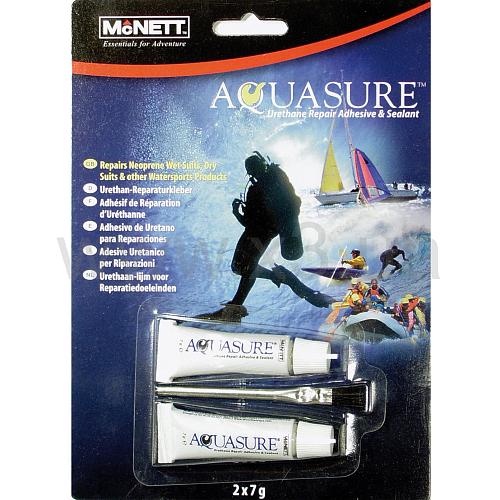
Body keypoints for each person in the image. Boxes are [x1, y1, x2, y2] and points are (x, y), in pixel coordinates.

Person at [199, 153, 302, 322]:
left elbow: (248, 221)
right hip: (265, 233)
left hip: (257, 233)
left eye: (251, 170)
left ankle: (235, 308)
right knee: (242, 267)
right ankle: (240, 303)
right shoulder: (278, 176)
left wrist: (236, 212)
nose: (253, 174)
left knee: (243, 267)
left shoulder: (256, 190)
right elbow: (292, 202)